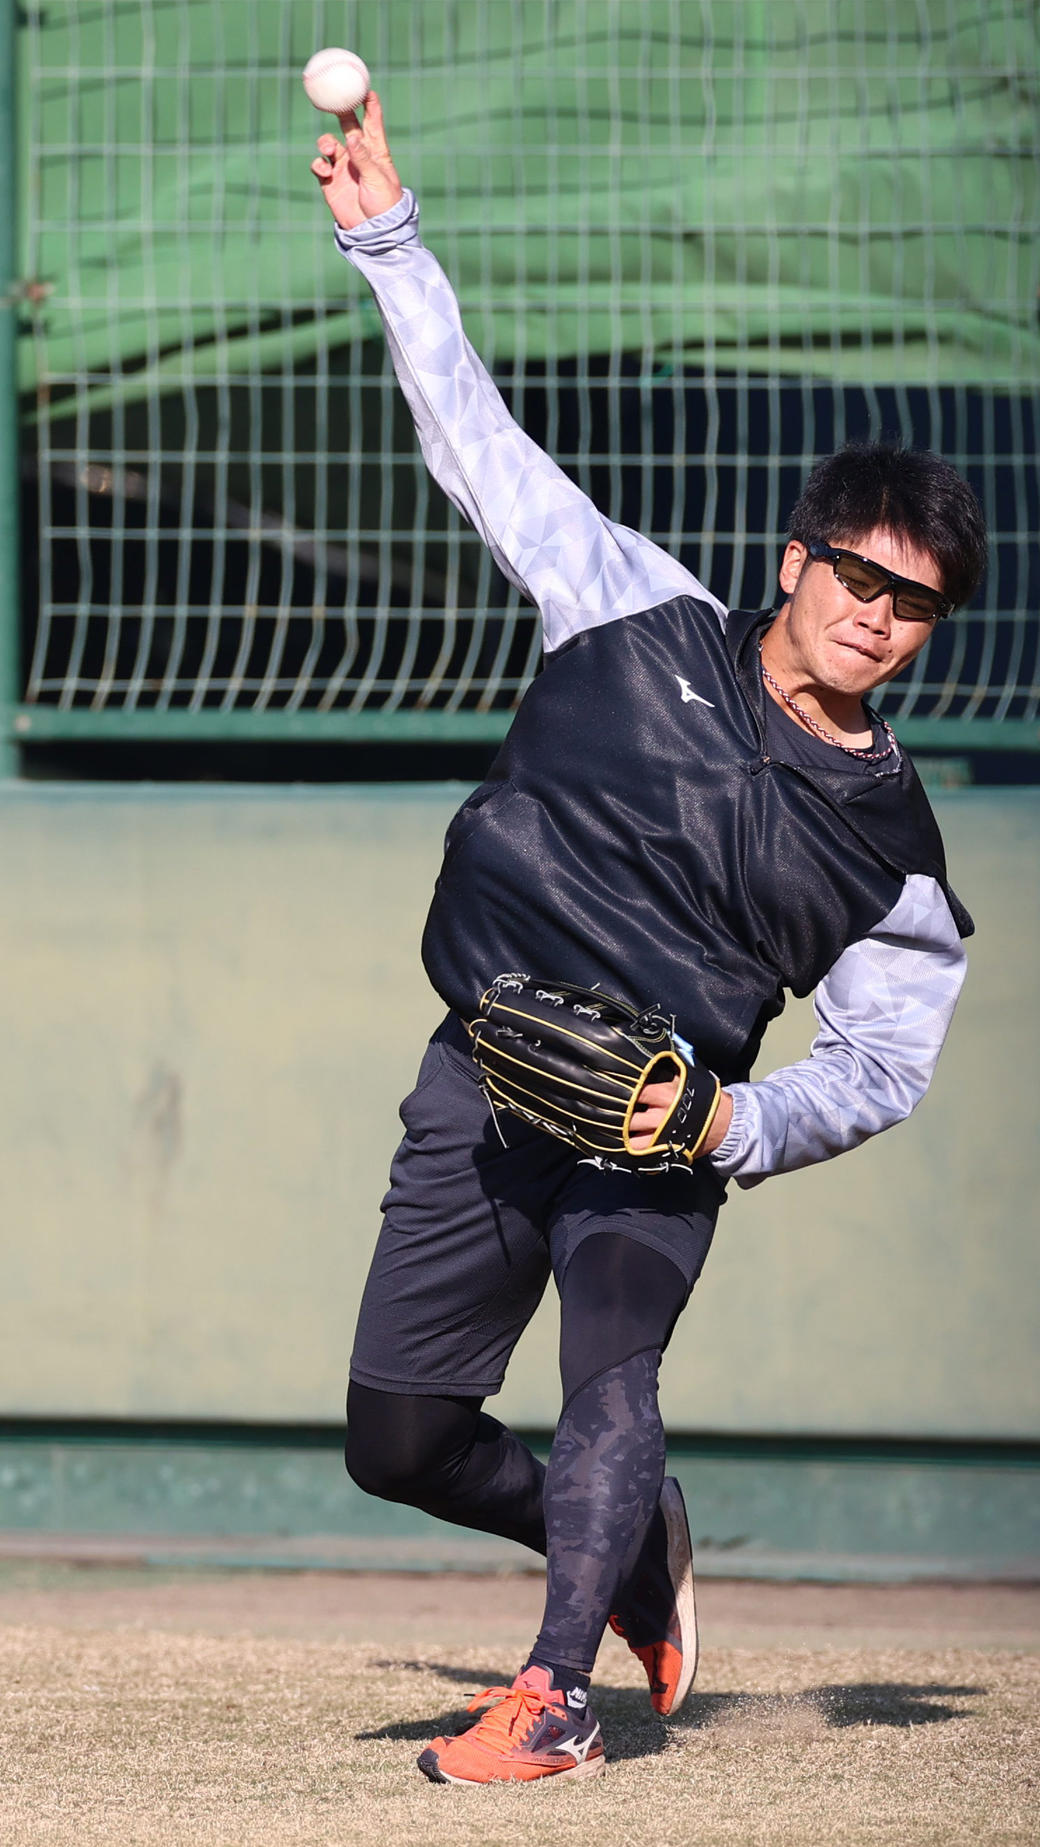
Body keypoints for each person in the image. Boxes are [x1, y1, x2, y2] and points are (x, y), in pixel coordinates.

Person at [311, 95, 985, 1787]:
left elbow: (885, 1064)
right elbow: (473, 437)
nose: (876, 614)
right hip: (485, 1072)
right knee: (398, 1440)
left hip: (653, 1129)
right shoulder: (633, 611)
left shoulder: (892, 848)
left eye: (912, 602)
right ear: (795, 560)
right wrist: (387, 242)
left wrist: (731, 1122)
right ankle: (630, 1536)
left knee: (614, 1372)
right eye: (857, 575)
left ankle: (555, 1698)